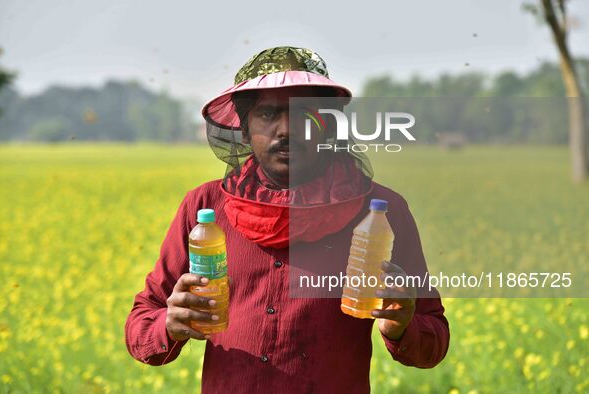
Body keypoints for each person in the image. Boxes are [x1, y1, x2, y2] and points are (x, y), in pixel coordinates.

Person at [125, 46, 450, 393]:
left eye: (305, 115)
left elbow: (433, 339)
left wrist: (401, 327)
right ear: (245, 130)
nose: (286, 130)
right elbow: (142, 325)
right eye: (267, 114)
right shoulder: (206, 206)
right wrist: (169, 325)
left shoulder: (380, 212)